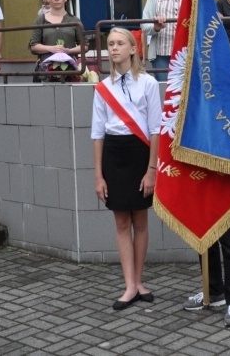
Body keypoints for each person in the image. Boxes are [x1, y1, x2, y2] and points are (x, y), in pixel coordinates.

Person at [92, 28, 161, 310]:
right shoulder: (102, 87)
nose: (115, 48)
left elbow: (156, 130)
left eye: (120, 43)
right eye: (111, 44)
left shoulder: (148, 83)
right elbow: (97, 133)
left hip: (140, 153)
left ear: (133, 49)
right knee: (122, 222)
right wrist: (98, 175)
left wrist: (152, 169)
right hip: (113, 154)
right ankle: (129, 285)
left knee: (141, 221)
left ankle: (139, 280)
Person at [141, 0, 189, 82]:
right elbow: (144, 24)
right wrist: (155, 27)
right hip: (162, 55)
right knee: (166, 94)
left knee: (190, 94)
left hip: (189, 53)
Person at [29, 0, 83, 81]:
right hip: (45, 72)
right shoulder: (40, 20)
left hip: (70, 72)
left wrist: (69, 51)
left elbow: (85, 46)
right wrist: (51, 49)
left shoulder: (75, 20)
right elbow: (33, 46)